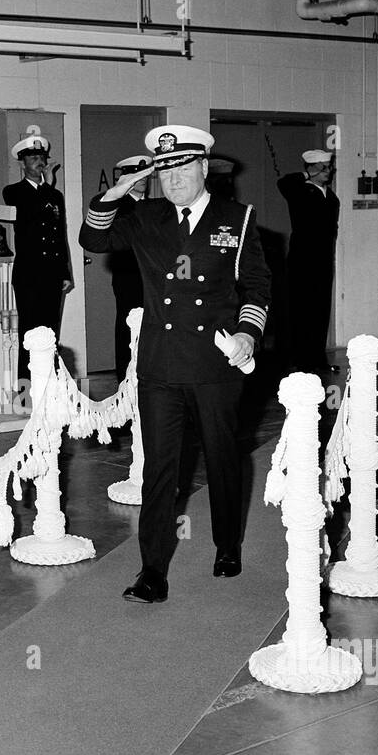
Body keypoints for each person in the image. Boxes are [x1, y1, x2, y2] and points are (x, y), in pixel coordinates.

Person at [80, 124, 272, 603]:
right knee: (160, 469)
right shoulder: (146, 217)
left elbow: (257, 286)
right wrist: (116, 192)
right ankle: (152, 570)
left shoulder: (238, 218)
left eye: (183, 167)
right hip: (161, 366)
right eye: (165, 169)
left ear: (204, 167)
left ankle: (227, 544)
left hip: (214, 364)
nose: (174, 178)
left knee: (224, 459)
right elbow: (93, 240)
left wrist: (249, 332)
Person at [2, 128, 74, 381]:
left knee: (51, 329)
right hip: (29, 273)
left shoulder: (55, 196)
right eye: (32, 158)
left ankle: (51, 383)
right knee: (30, 330)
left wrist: (65, 272)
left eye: (42, 158)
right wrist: (46, 187)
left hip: (52, 272)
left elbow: (59, 234)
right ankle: (27, 384)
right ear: (22, 163)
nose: (39, 162)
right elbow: (30, 212)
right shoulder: (14, 191)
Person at [277, 149, 341, 373]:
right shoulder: (299, 191)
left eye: (329, 167)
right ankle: (300, 360)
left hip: (323, 262)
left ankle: (317, 359)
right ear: (312, 169)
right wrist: (307, 175)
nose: (328, 172)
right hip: (303, 262)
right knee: (301, 311)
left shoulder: (329, 195)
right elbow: (284, 183)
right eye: (323, 168)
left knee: (320, 311)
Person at [104, 154, 151, 380]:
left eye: (144, 175)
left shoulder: (153, 206)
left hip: (151, 276)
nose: (142, 180)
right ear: (125, 178)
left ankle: (144, 374)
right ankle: (124, 376)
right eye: (136, 175)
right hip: (128, 275)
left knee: (148, 326)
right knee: (127, 326)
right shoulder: (119, 205)